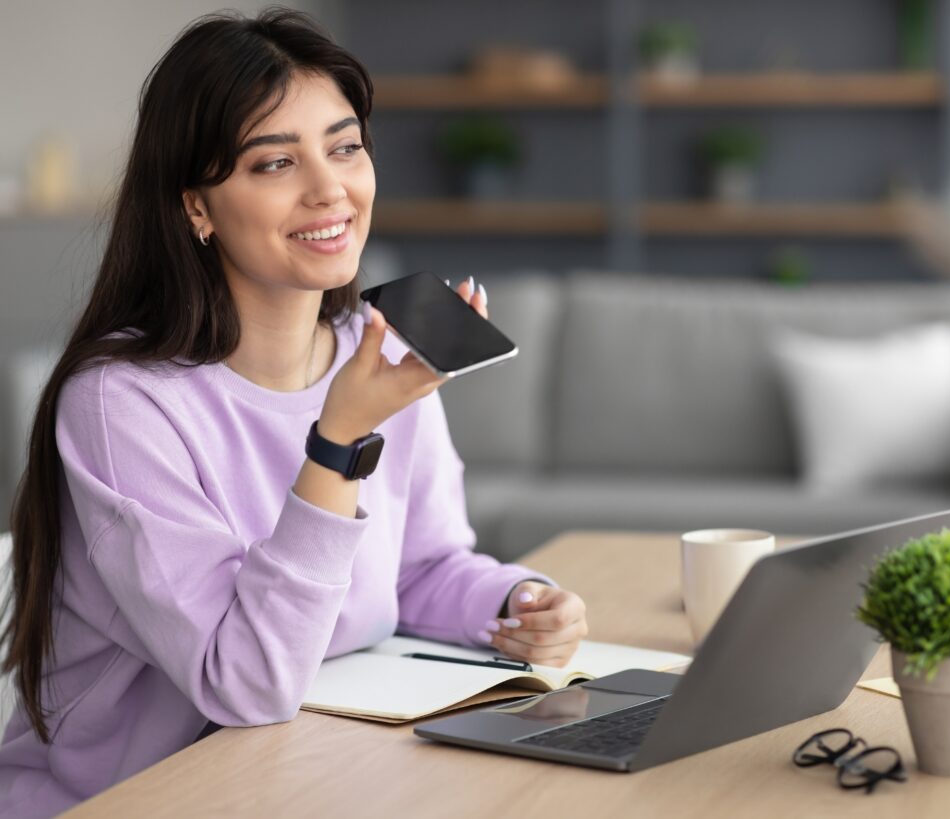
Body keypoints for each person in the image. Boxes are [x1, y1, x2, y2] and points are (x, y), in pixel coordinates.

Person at [0, 9, 588, 816]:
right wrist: (338, 441)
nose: (330, 188)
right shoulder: (121, 403)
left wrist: (519, 601)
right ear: (196, 208)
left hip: (313, 771)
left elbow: (419, 569)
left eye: (345, 147)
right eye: (275, 162)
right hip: (132, 799)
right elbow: (242, 681)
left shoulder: (378, 352)